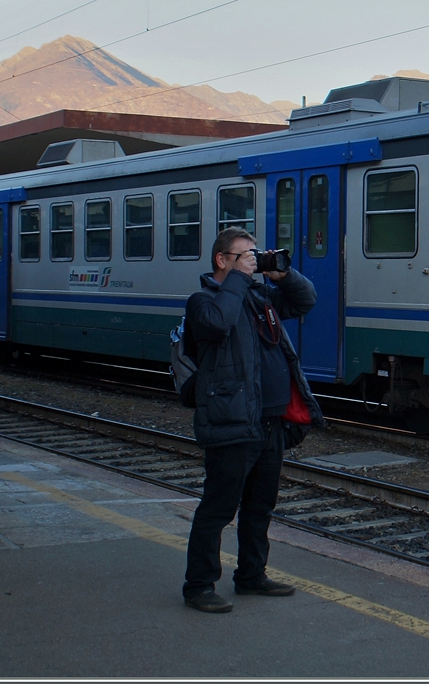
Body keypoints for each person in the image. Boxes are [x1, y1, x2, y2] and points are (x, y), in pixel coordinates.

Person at [182, 227, 324, 613]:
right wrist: (240, 279)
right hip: (233, 420)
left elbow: (306, 300)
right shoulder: (203, 301)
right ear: (221, 259)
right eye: (244, 256)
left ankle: (251, 575)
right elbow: (218, 323)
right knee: (218, 507)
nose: (252, 262)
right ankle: (198, 586)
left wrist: (283, 274)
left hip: (271, 420)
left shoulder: (261, 298)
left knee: (260, 506)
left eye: (255, 255)